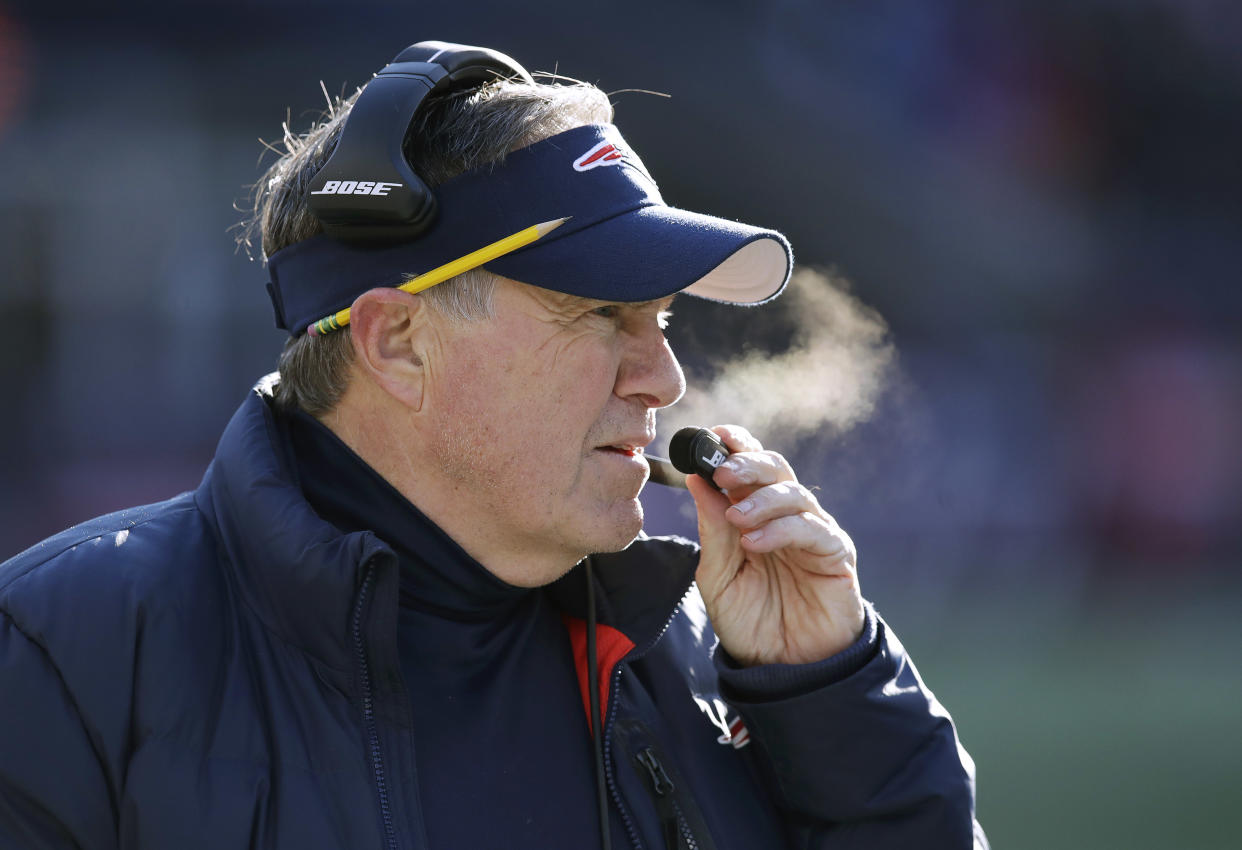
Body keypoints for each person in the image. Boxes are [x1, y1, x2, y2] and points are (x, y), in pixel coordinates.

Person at [0, 41, 988, 850]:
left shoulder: (701, 657)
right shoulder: (61, 653)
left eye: (663, 319)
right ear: (398, 341)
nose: (665, 379)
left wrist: (830, 694)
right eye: (602, 313)